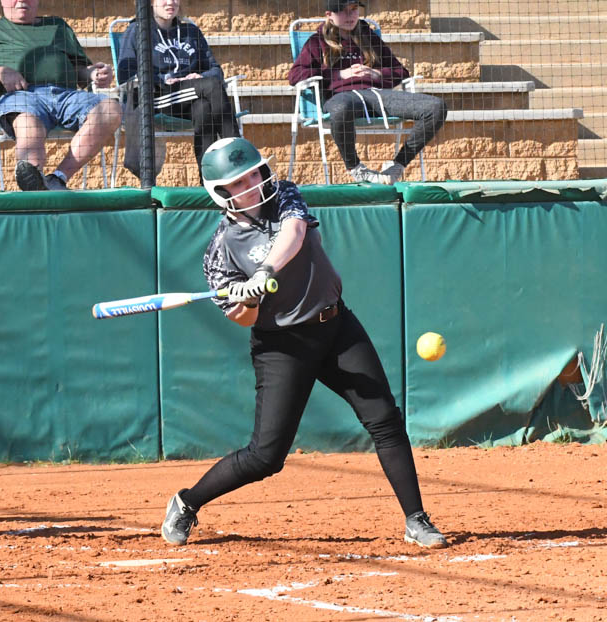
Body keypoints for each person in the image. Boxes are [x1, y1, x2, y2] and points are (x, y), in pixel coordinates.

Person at [160, 137, 448, 549]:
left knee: (384, 418)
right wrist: (248, 299)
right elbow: (243, 320)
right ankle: (187, 502)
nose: (256, 182)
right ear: (221, 193)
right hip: (282, 347)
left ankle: (416, 519)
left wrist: (266, 269)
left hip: (335, 326)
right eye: (241, 180)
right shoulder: (219, 251)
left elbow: (294, 233)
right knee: (265, 457)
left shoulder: (285, 197)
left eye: (256, 172)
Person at [0, 0, 121, 191]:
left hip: (66, 97)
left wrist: (93, 74)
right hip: (21, 97)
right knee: (29, 126)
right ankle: (33, 179)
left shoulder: (58, 26)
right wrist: (0, 72)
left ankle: (58, 178)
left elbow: (80, 71)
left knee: (110, 109)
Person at [287, 0, 446, 185]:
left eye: (354, 10)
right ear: (329, 15)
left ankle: (398, 164)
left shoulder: (369, 37)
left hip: (377, 94)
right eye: (343, 11)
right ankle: (356, 168)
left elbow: (401, 72)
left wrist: (376, 73)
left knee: (436, 107)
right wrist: (338, 74)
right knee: (341, 107)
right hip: (343, 96)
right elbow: (295, 75)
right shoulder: (317, 42)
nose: (350, 16)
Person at [116, 0, 240, 179]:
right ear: (150, 3)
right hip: (158, 96)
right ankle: (238, 154)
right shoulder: (137, 31)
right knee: (211, 85)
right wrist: (163, 79)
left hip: (188, 96)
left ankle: (208, 178)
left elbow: (215, 70)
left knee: (203, 109)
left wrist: (198, 77)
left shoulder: (191, 32)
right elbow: (125, 74)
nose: (170, 2)